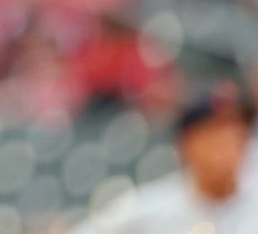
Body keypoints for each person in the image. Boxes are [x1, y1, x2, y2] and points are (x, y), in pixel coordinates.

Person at [72, 83, 258, 233]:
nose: (228, 146)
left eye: (236, 134)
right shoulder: (152, 208)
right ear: (187, 145)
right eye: (214, 137)